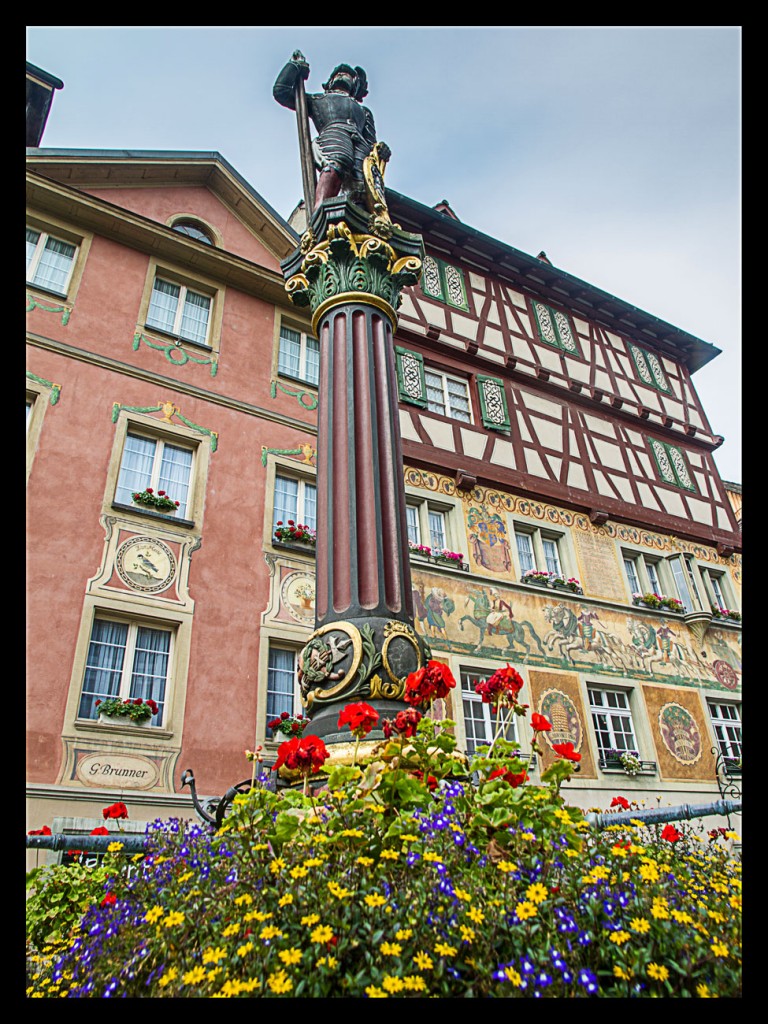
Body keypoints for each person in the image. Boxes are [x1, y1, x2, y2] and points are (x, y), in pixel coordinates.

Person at [273, 53, 384, 210]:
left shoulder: (364, 111)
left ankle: (360, 215)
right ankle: (320, 208)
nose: (342, 75)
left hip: (360, 143)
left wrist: (380, 152)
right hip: (334, 133)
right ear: (330, 81)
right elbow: (281, 91)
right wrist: (294, 67)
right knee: (337, 163)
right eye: (338, 73)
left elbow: (372, 143)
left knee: (364, 183)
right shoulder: (318, 100)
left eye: (348, 75)